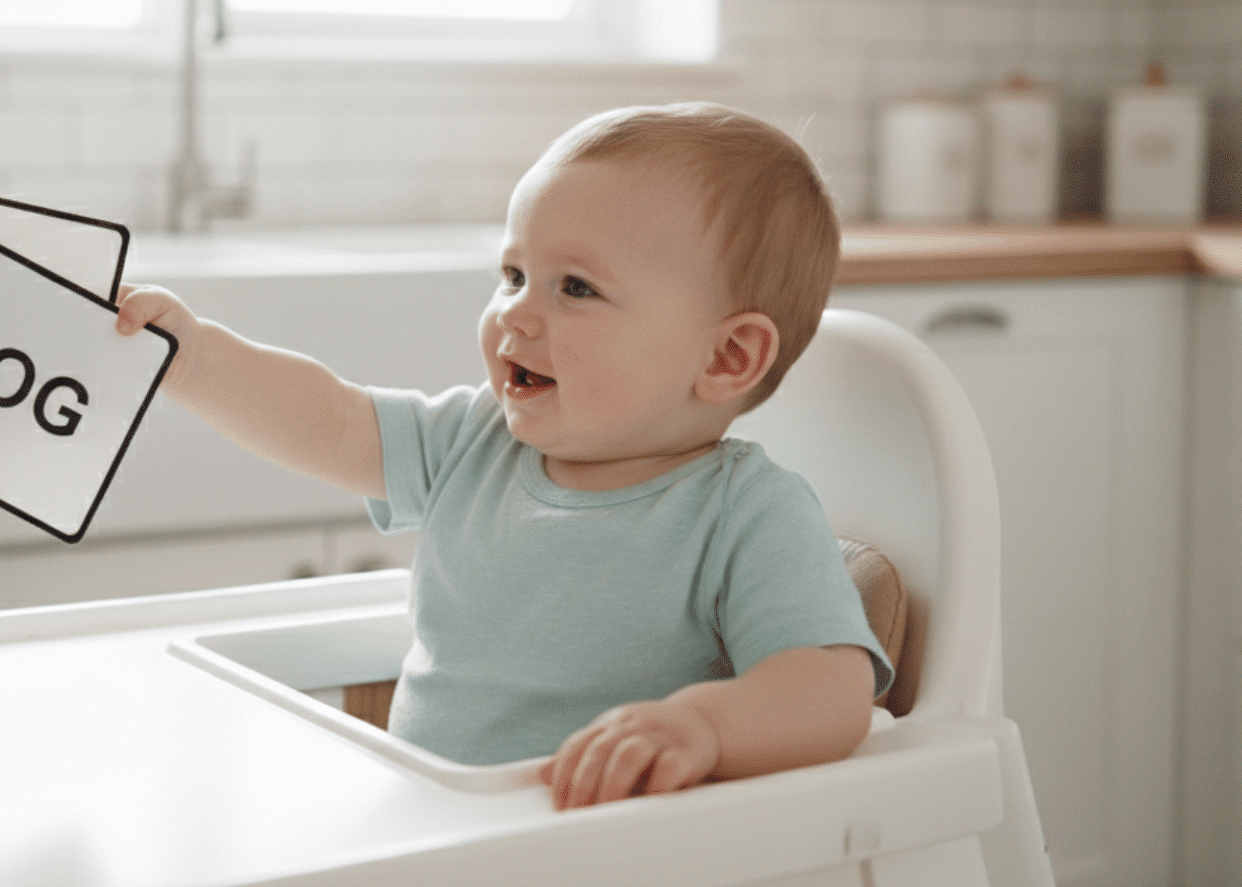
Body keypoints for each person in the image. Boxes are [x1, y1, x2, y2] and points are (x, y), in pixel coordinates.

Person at [115, 102, 894, 811]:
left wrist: (701, 727)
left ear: (727, 356)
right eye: (514, 274)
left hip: (587, 855)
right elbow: (332, 420)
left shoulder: (746, 513)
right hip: (431, 829)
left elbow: (829, 686)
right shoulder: (475, 442)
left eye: (576, 288)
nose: (515, 311)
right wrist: (196, 361)